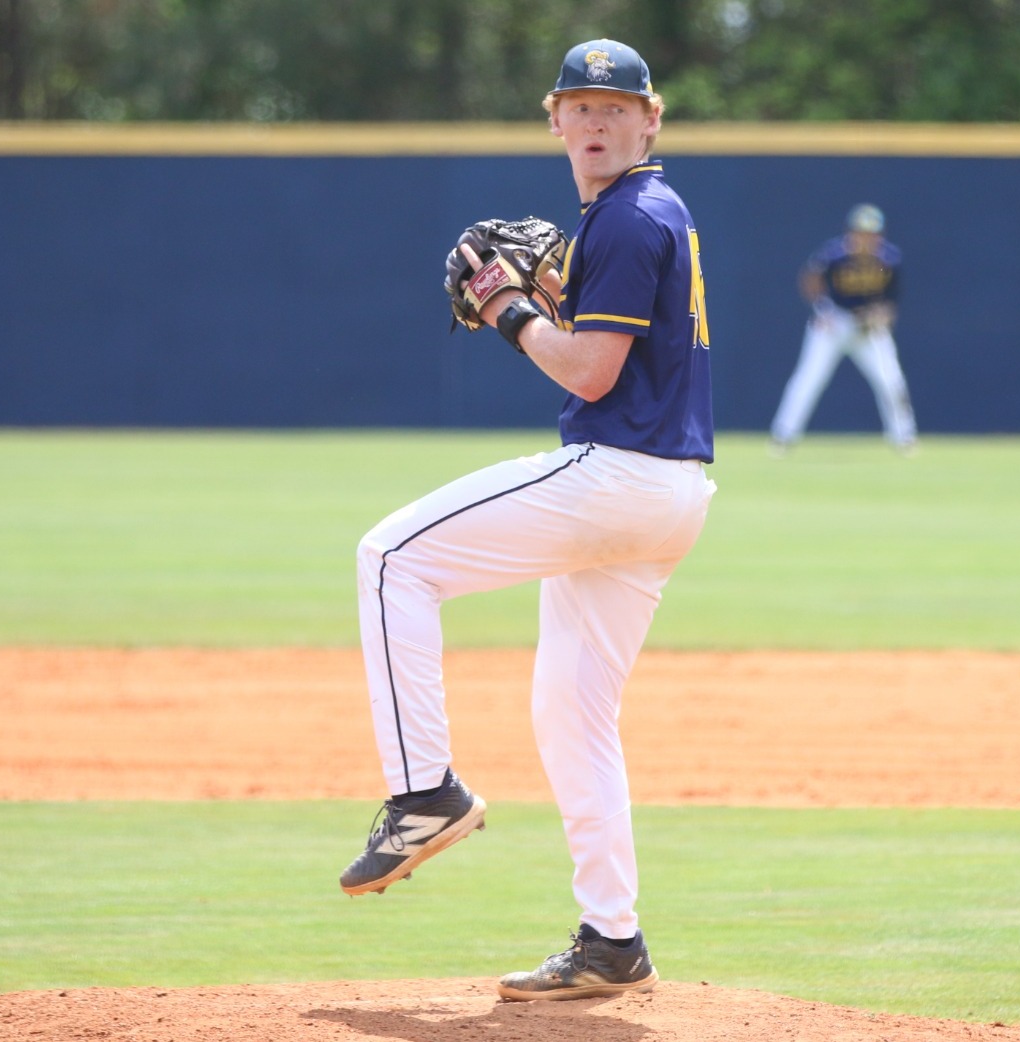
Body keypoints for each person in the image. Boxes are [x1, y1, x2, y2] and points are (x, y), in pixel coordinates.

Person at [338, 38, 715, 1002]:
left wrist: (510, 310)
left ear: (650, 119)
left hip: (616, 476)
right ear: (555, 119)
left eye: (613, 108)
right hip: (668, 495)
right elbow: (608, 352)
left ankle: (424, 794)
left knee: (389, 558)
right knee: (572, 714)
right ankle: (612, 940)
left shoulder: (630, 218)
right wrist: (550, 303)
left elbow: (589, 373)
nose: (594, 122)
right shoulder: (638, 217)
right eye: (578, 107)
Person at [768, 203, 917, 456]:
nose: (865, 238)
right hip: (834, 323)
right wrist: (821, 309)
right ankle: (783, 435)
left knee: (891, 380)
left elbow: (890, 302)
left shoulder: (889, 258)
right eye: (861, 232)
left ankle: (904, 437)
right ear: (851, 232)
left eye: (871, 233)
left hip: (867, 328)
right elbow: (810, 278)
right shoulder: (835, 254)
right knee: (809, 378)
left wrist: (881, 315)